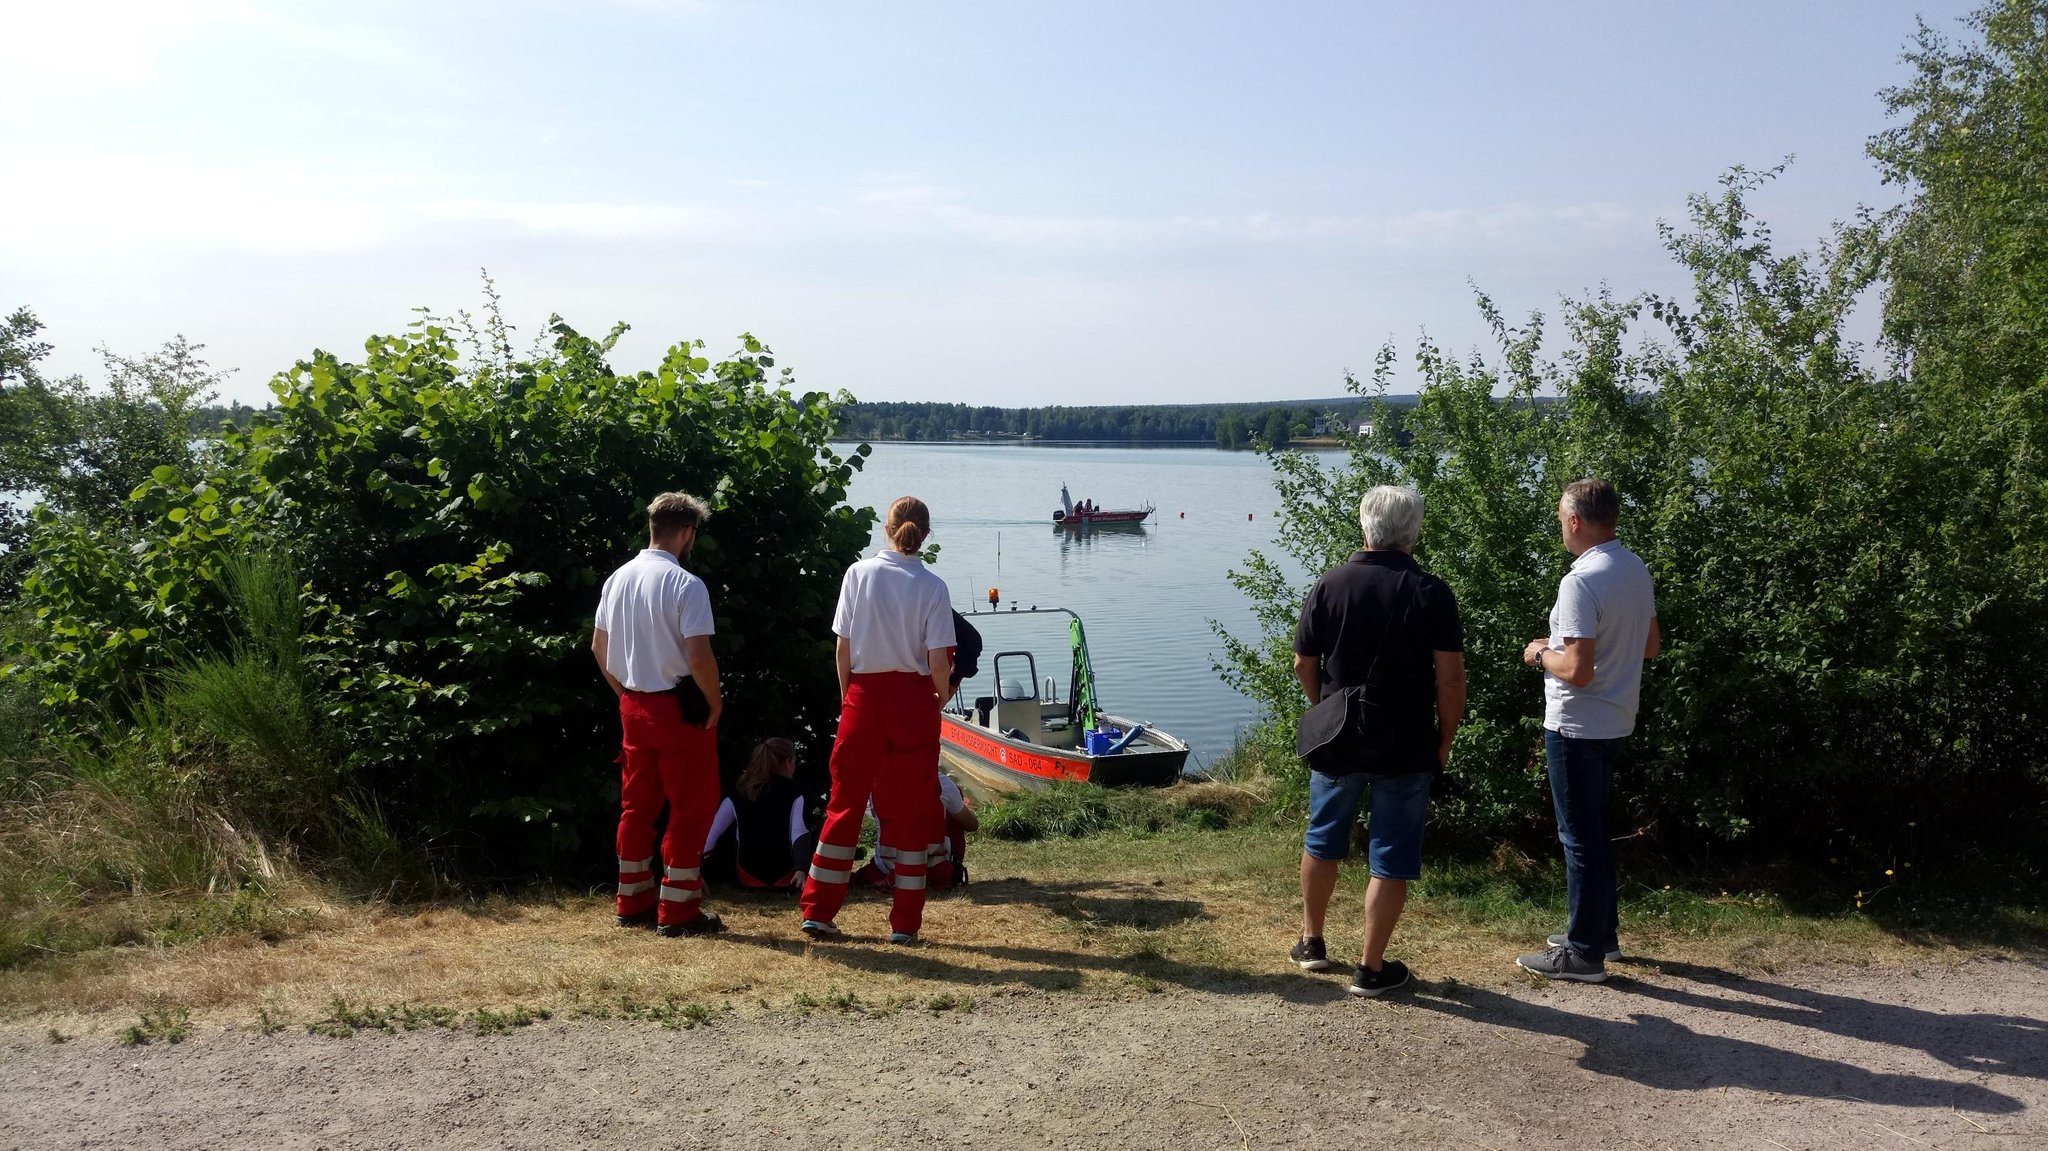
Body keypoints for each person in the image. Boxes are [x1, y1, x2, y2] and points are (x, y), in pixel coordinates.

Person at [1290, 486, 1465, 996]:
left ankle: (1312, 943)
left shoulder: (1330, 584)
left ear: (1365, 526)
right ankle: (1370, 967)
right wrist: (1445, 739)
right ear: (1414, 532)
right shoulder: (1432, 592)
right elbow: (1451, 679)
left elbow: (1305, 663)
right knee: (1391, 853)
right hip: (1408, 740)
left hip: (1340, 736)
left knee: (1323, 838)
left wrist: (1325, 709)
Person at [1516, 477, 1661, 984]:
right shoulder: (1632, 567)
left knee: (1577, 836)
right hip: (1617, 717)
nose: (1561, 525)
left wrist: (1540, 654)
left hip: (1577, 724)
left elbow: (1577, 669)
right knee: (1596, 831)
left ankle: (1582, 953)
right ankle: (1603, 935)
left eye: (1561, 517)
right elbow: (1649, 647)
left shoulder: (1580, 580)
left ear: (1575, 521)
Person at [799, 496, 955, 944]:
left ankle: (819, 910)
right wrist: (937, 698)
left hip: (863, 697)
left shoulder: (857, 574)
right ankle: (904, 924)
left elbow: (842, 650)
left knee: (843, 806)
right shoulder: (932, 586)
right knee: (910, 812)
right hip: (912, 700)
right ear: (924, 534)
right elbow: (938, 661)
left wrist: (850, 699)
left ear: (887, 529)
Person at [591, 491, 726, 937]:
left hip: (634, 705)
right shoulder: (686, 585)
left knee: (637, 807)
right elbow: (699, 655)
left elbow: (599, 647)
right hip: (678, 709)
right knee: (691, 808)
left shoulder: (618, 579)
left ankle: (631, 899)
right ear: (687, 532)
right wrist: (715, 701)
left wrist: (624, 692)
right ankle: (679, 909)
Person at [703, 738, 815, 890]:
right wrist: (801, 869)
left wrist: (697, 871)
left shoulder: (739, 793)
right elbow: (799, 832)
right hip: (786, 878)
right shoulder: (795, 792)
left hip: (747, 877)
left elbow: (712, 834)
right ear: (788, 763)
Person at [854, 770, 978, 892]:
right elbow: (972, 825)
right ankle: (946, 865)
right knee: (953, 809)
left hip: (885, 868)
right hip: (933, 868)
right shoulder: (942, 782)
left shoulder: (876, 783)